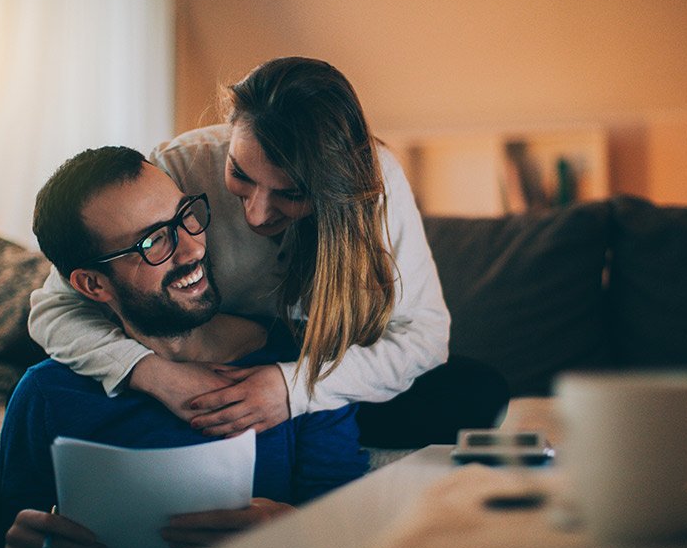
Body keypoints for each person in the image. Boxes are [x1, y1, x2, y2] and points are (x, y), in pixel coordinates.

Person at [28, 56, 509, 448]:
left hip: (319, 360)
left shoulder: (376, 186)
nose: (257, 214)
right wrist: (150, 375)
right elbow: (53, 307)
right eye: (240, 173)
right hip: (206, 357)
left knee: (475, 393)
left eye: (291, 194)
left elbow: (425, 337)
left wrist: (292, 388)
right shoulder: (179, 166)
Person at [0, 147, 368, 548]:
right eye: (153, 240)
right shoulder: (45, 394)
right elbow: (17, 542)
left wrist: (290, 529)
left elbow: (358, 535)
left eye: (184, 215)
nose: (191, 248)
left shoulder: (299, 369)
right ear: (93, 284)